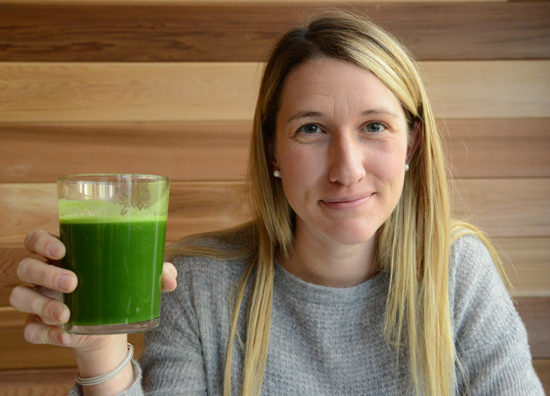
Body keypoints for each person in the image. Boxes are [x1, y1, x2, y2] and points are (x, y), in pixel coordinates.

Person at [9, 10, 544, 396]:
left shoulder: (457, 273)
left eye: (375, 127)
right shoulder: (198, 284)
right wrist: (99, 353)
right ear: (272, 150)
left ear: (413, 145)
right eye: (311, 129)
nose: (347, 168)